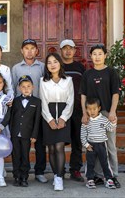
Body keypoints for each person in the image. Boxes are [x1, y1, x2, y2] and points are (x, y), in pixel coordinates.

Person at [80, 44, 121, 188]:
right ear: (91, 56)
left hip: (106, 114)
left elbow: (116, 93)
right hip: (91, 114)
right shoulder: (87, 74)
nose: (97, 56)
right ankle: (97, 175)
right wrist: (84, 113)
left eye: (100, 53)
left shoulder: (111, 72)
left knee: (109, 145)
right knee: (94, 146)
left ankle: (113, 175)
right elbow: (83, 95)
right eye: (94, 54)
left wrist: (113, 111)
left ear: (105, 55)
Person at [12, 39, 47, 183]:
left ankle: (39, 171)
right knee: (19, 148)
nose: (29, 51)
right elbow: (14, 87)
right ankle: (18, 174)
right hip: (21, 110)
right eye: (26, 48)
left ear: (36, 51)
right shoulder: (15, 68)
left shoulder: (43, 67)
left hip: (38, 108)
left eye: (33, 48)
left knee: (39, 143)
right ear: (22, 50)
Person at [39, 53, 74, 191]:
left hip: (64, 113)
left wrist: (63, 118)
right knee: (51, 148)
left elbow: (70, 100)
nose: (52, 64)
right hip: (48, 114)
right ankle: (55, 175)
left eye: (55, 61)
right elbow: (43, 101)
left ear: (60, 63)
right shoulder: (43, 81)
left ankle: (59, 177)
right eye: (49, 62)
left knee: (59, 147)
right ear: (46, 66)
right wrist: (50, 119)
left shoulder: (68, 80)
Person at [59, 39, 85, 181]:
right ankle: (60, 169)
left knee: (77, 141)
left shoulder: (80, 67)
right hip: (61, 110)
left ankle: (75, 170)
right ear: (60, 50)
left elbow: (85, 89)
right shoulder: (57, 66)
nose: (68, 51)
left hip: (77, 110)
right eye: (65, 48)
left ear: (75, 51)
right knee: (60, 141)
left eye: (71, 48)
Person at [10, 75, 41, 187]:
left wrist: (34, 135)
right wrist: (10, 132)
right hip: (15, 133)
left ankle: (24, 177)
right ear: (19, 88)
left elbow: (37, 120)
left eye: (28, 86)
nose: (26, 88)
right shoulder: (15, 101)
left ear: (33, 87)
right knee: (16, 155)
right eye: (23, 86)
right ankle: (16, 176)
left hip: (27, 134)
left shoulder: (37, 102)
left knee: (25, 155)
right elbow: (12, 118)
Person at [81, 98, 116, 189]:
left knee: (105, 162)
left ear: (99, 108)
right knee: (90, 163)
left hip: (102, 144)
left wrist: (113, 123)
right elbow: (83, 134)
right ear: (86, 109)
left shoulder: (104, 119)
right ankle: (90, 179)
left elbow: (110, 129)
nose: (92, 111)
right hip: (91, 145)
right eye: (89, 109)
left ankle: (109, 179)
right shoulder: (86, 122)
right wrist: (86, 145)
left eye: (94, 109)